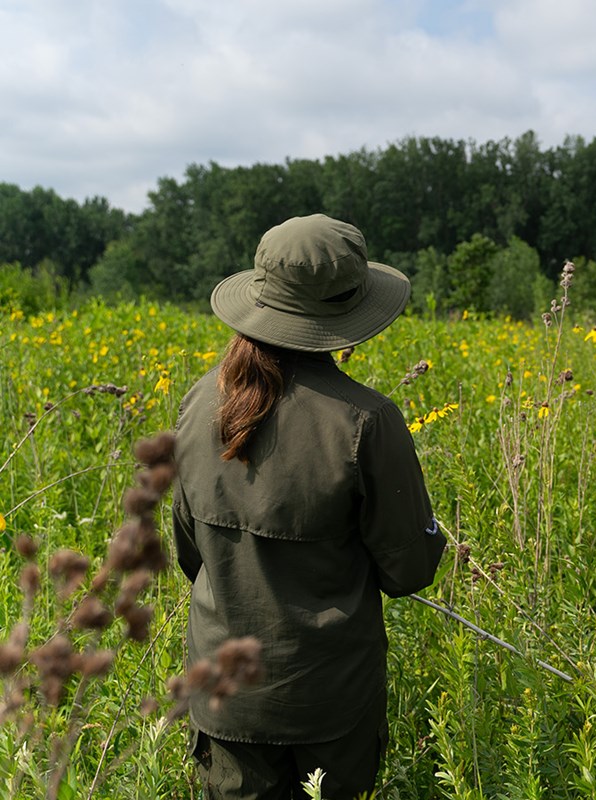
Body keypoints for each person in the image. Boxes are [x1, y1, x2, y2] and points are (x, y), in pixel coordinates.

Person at [172, 213, 446, 798]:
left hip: (224, 700)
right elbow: (410, 571)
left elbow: (189, 551)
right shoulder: (368, 420)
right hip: (330, 707)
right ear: (345, 314)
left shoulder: (198, 404)